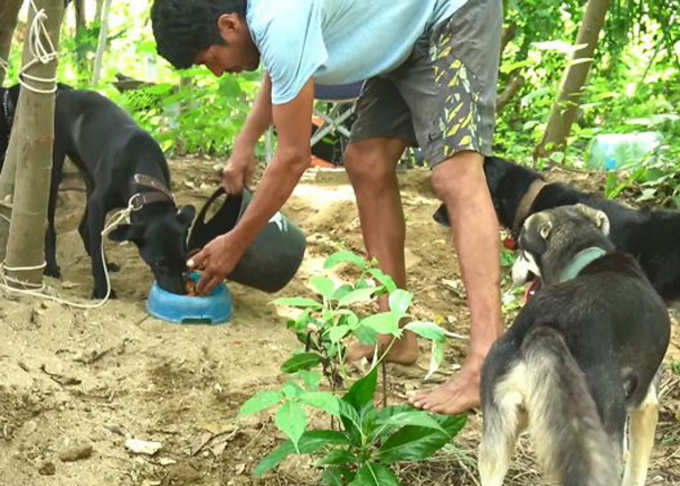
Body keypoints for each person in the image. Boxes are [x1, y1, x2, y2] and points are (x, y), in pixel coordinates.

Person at [151, 0, 503, 414]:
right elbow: (284, 67)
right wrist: (246, 142)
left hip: (451, 13)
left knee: (454, 174)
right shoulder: (265, 20)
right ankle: (394, 330)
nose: (215, 71)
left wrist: (235, 243)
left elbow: (293, 157)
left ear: (228, 25)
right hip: (403, 31)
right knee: (366, 161)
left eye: (209, 59)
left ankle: (487, 364)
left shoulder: (276, 16)